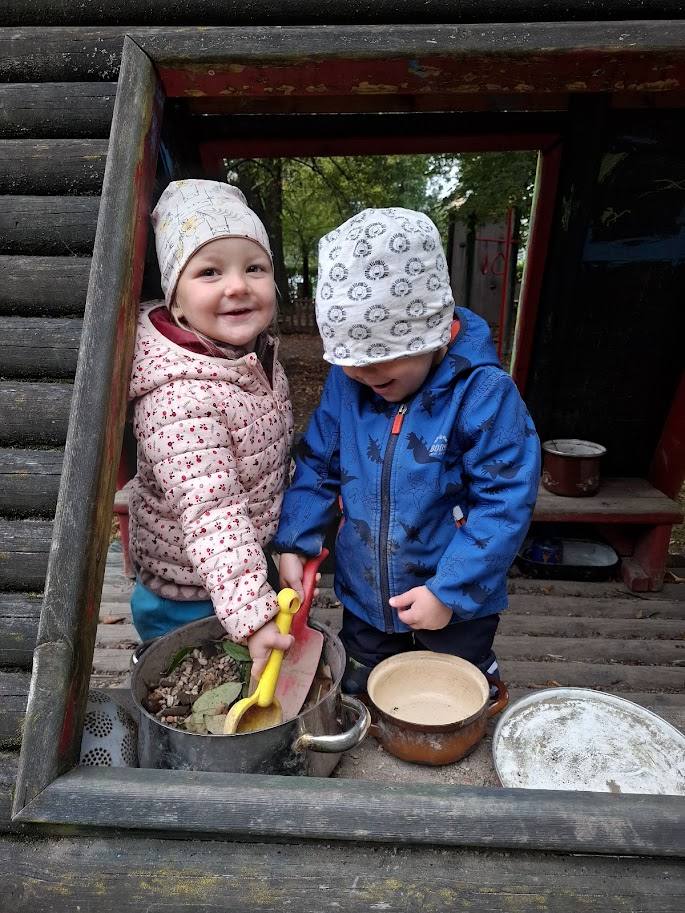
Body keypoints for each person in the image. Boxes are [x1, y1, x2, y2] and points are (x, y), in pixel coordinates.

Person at [273, 207, 540, 693]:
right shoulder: (348, 384)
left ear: (432, 333)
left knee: (453, 691)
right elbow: (318, 465)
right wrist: (295, 540)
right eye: (350, 362)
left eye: (380, 362)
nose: (363, 376)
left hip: (456, 601)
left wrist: (450, 591)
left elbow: (504, 502)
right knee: (362, 684)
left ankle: (478, 694)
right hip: (366, 594)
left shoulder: (483, 393)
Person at [127, 179, 294, 677]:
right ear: (175, 301)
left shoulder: (251, 358)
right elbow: (212, 512)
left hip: (244, 570)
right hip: (187, 594)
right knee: (188, 686)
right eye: (209, 271)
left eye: (254, 267)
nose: (237, 285)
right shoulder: (179, 398)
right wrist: (253, 615)